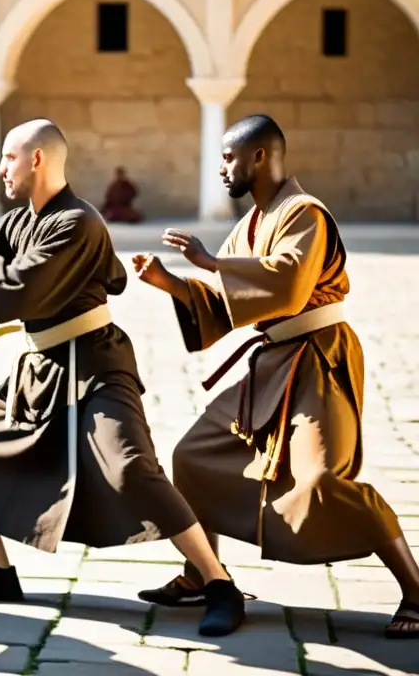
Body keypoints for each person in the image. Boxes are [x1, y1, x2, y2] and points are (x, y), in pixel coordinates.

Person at [0, 119, 246, 637]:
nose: (0, 169)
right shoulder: (20, 221)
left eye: (8, 158)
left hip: (96, 363)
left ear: (36, 160)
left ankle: (218, 583)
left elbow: (24, 287)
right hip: (40, 368)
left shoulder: (77, 221)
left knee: (131, 469)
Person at [131, 114, 419, 640]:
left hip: (318, 361)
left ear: (259, 156)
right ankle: (202, 572)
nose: (221, 168)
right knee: (192, 456)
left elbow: (286, 284)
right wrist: (170, 282)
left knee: (323, 481)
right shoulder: (252, 223)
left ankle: (416, 589)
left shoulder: (305, 214)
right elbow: (235, 305)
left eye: (228, 157)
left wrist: (212, 262)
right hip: (272, 364)